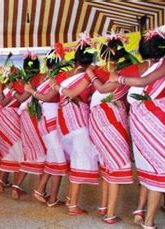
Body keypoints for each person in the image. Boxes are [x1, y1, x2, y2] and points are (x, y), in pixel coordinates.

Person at [111, 30, 165, 228]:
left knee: (148, 166)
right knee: (163, 167)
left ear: (141, 51)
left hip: (138, 122)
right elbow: (144, 83)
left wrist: (115, 76)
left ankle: (140, 212)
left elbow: (108, 90)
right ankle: (148, 221)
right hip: (159, 120)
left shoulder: (132, 68)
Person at [84, 34, 134, 224]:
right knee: (116, 165)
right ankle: (110, 214)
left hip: (98, 119)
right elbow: (105, 90)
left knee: (107, 165)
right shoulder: (124, 72)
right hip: (110, 119)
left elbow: (101, 89)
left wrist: (91, 74)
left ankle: (104, 207)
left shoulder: (100, 71)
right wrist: (91, 75)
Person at [50, 33, 97, 216]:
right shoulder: (87, 76)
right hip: (78, 121)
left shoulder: (62, 75)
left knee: (75, 158)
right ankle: (73, 205)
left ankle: (71, 198)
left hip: (63, 120)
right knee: (79, 159)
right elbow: (73, 93)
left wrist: (57, 87)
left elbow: (62, 92)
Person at [24, 45, 69, 207]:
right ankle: (51, 197)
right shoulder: (55, 79)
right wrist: (32, 91)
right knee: (57, 160)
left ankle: (42, 191)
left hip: (45, 120)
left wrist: (31, 90)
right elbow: (47, 97)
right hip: (51, 121)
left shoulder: (42, 77)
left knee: (53, 158)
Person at [13, 52, 47, 200]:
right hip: (34, 116)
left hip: (26, 117)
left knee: (30, 152)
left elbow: (20, 98)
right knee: (43, 152)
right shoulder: (38, 79)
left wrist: (12, 89)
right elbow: (22, 98)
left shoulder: (24, 80)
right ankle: (41, 190)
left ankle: (16, 187)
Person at [0, 66, 24, 195]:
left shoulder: (3, 91)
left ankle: (1, 182)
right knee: (19, 154)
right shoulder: (12, 90)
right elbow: (7, 104)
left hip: (4, 125)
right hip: (12, 124)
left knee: (9, 153)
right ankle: (16, 188)